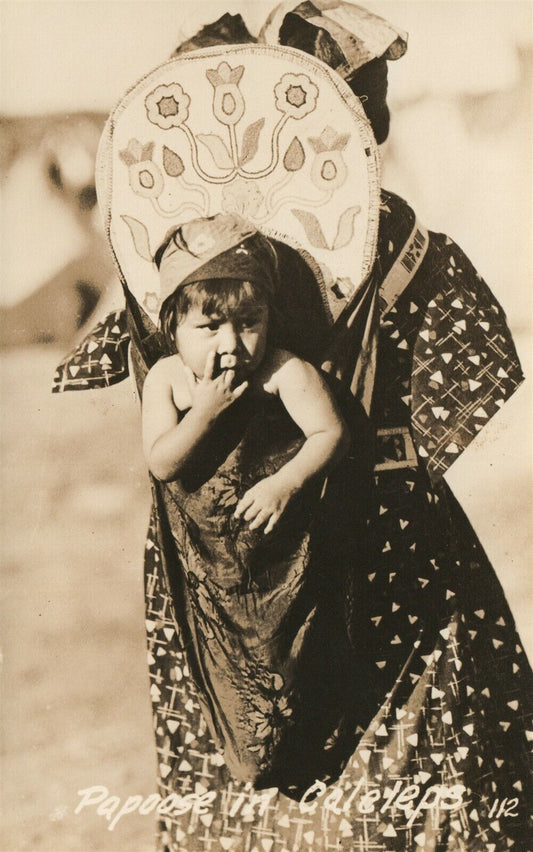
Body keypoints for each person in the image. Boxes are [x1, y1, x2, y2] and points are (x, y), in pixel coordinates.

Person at [53, 3, 532, 850]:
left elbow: (111, 368)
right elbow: (473, 383)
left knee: (237, 734)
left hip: (210, 541)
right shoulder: (400, 240)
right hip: (385, 527)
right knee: (417, 731)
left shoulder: (165, 263)